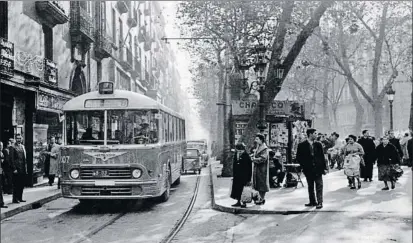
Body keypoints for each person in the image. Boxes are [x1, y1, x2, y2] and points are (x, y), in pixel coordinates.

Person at [296, 128, 327, 209]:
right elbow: (298, 157)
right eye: (315, 133)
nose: (316, 135)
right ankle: (312, 201)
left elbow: (322, 156)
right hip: (308, 169)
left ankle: (320, 202)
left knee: (319, 185)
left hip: (318, 168)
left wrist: (324, 168)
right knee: (310, 186)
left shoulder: (318, 144)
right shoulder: (301, 145)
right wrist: (304, 166)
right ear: (310, 134)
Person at [230, 143, 252, 208]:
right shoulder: (236, 155)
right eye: (238, 150)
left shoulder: (246, 156)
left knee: (243, 189)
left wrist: (249, 178)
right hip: (237, 175)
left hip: (244, 176)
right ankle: (238, 201)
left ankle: (244, 202)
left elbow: (249, 168)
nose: (239, 152)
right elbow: (234, 165)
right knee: (237, 189)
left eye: (240, 150)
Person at [251, 134, 269, 205]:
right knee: (258, 183)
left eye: (257, 139)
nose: (256, 140)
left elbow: (263, 158)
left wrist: (254, 159)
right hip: (258, 168)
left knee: (262, 184)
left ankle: (262, 198)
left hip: (262, 169)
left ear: (261, 140)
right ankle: (260, 198)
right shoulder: (259, 146)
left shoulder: (264, 148)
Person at [9, 134, 27, 203]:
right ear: (15, 139)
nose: (19, 139)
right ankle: (15, 199)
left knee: (21, 184)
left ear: (21, 139)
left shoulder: (22, 146)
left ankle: (20, 197)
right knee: (16, 184)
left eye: (20, 138)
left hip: (22, 168)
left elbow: (24, 159)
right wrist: (14, 169)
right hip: (16, 168)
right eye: (17, 138)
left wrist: (25, 168)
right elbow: (11, 159)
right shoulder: (12, 147)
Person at [0, 142, 8, 208]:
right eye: (0, 146)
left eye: (2, 145)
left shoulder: (2, 153)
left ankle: (1, 203)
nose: (1, 147)